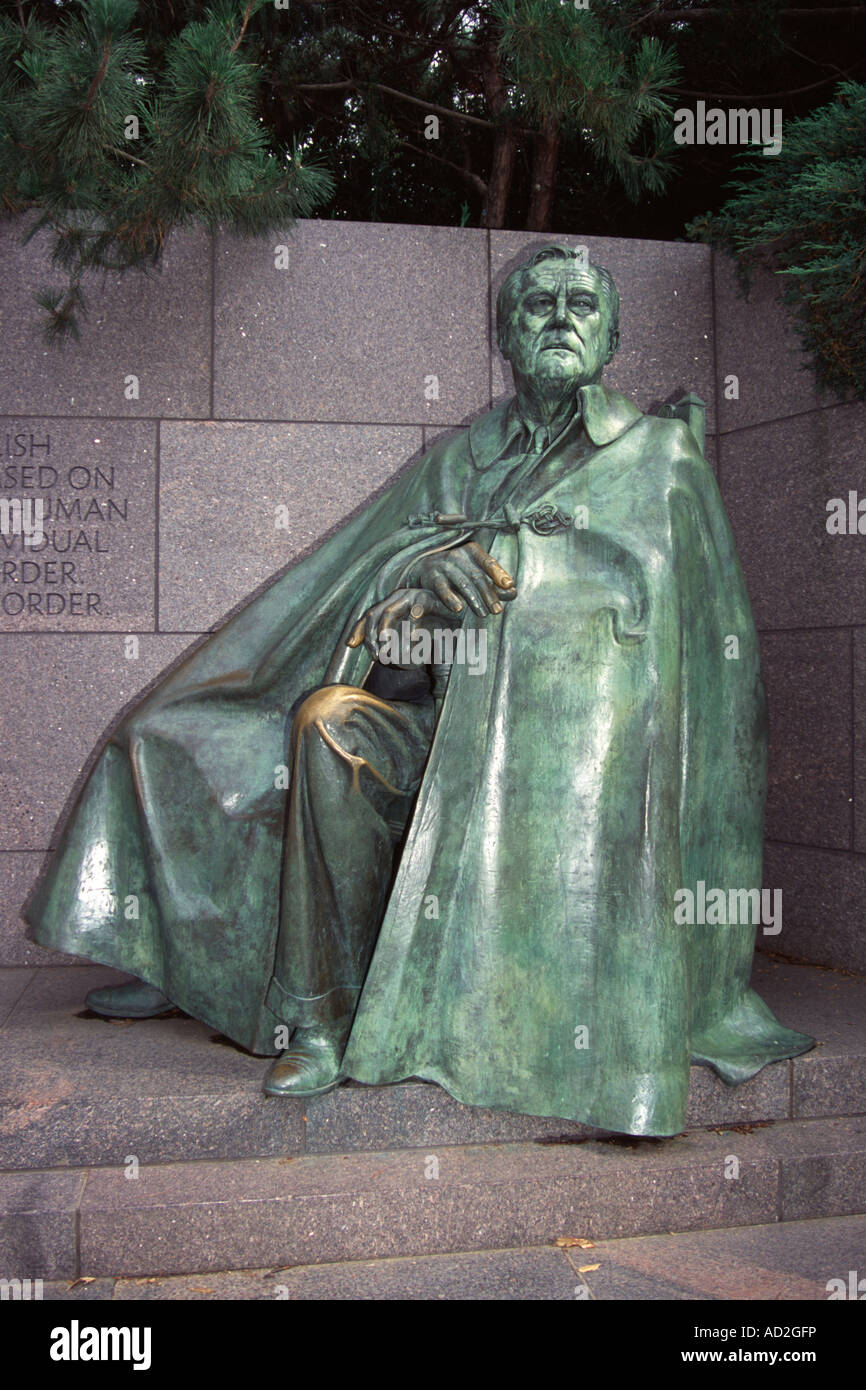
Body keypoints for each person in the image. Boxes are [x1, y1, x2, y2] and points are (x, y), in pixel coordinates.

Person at [24, 243, 813, 1136]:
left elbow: (673, 633)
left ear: (613, 336)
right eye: (538, 305)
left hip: (556, 759)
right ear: (506, 333)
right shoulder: (466, 456)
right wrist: (425, 572)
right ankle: (304, 1012)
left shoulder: (657, 457)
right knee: (308, 723)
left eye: (582, 306)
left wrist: (518, 564)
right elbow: (370, 575)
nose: (560, 319)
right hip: (432, 720)